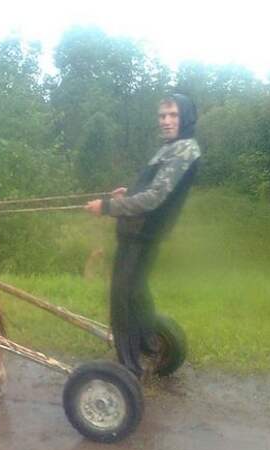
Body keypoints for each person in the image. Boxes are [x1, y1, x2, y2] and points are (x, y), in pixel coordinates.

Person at [84, 93, 201, 377]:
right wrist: (127, 194)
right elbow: (149, 190)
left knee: (122, 296)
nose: (166, 121)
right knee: (136, 292)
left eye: (173, 115)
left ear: (185, 117)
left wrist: (108, 207)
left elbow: (154, 199)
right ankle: (148, 345)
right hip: (139, 233)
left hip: (142, 235)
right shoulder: (169, 148)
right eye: (162, 116)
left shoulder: (184, 150)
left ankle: (128, 367)